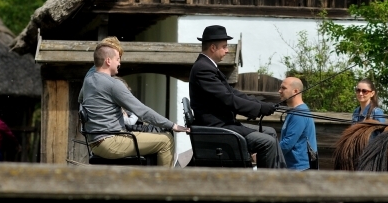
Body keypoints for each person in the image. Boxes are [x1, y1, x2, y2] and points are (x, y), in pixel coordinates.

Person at [188, 25, 283, 169]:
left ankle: (281, 175)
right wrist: (259, 108)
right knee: (267, 142)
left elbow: (232, 93)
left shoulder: (207, 66)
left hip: (223, 124)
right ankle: (269, 187)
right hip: (218, 128)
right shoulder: (203, 68)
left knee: (270, 132)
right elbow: (228, 99)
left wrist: (259, 103)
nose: (227, 50)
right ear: (213, 48)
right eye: (224, 47)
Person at [81, 41, 189, 166]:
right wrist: (172, 125)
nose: (119, 63)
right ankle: (164, 184)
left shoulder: (88, 80)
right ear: (108, 61)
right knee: (166, 140)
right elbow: (142, 111)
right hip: (110, 142)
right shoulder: (113, 84)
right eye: (117, 59)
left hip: (94, 142)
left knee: (150, 134)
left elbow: (81, 99)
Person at [278, 77, 317, 170]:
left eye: (283, 88)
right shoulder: (295, 111)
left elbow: (287, 144)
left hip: (300, 169)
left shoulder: (299, 113)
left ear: (295, 91)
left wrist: (267, 153)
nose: (279, 91)